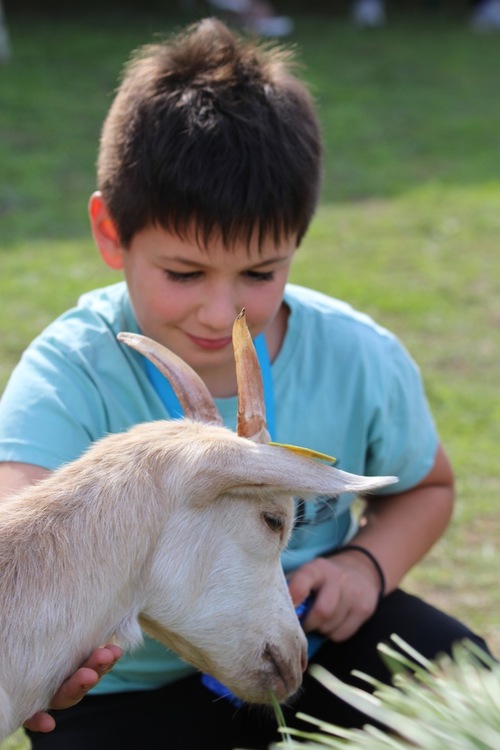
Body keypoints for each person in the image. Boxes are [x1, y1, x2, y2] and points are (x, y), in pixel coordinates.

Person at [0, 17, 493, 750]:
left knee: (462, 682)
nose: (221, 308)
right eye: (184, 273)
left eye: (259, 273)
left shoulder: (357, 357)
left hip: (309, 644)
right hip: (119, 691)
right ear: (110, 235)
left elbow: (426, 487)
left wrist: (363, 565)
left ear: (296, 246)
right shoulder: (69, 372)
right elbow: (24, 527)